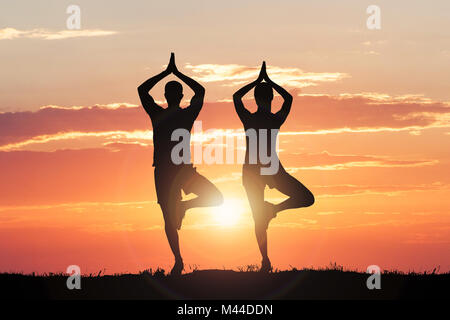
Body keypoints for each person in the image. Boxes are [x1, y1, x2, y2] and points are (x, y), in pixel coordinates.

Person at [138, 53, 223, 275]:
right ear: (177, 95)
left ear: (167, 95)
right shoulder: (179, 115)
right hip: (170, 172)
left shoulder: (164, 114)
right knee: (169, 217)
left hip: (179, 171)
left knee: (211, 200)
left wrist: (168, 72)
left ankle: (184, 209)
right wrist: (177, 73)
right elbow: (201, 91)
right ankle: (178, 261)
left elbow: (142, 90)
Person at [233, 61, 315, 272]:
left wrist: (256, 81)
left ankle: (271, 218)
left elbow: (235, 97)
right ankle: (266, 261)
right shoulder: (274, 119)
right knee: (304, 199)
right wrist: (268, 81)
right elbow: (288, 98)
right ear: (269, 99)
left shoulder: (250, 119)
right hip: (263, 171)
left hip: (260, 171)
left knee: (260, 216)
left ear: (257, 99)